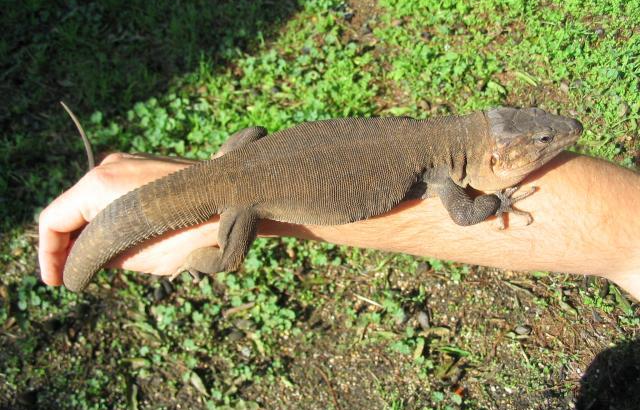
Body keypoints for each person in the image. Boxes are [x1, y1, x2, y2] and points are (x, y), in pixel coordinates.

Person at [38, 151, 640, 300]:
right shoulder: (460, 169)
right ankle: (209, 254)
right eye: (538, 139)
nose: (553, 143)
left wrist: (213, 177)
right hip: (241, 189)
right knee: (224, 254)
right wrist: (499, 201)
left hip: (241, 168)